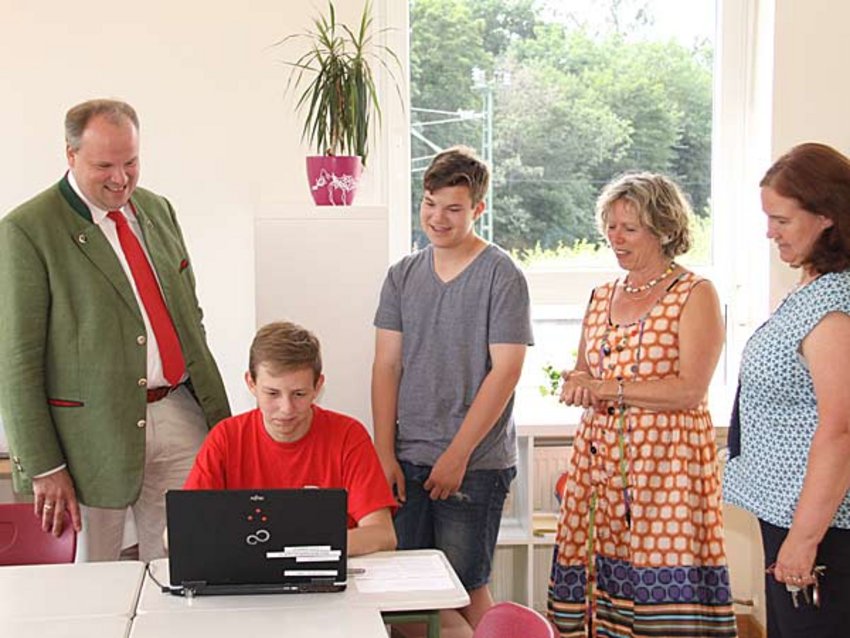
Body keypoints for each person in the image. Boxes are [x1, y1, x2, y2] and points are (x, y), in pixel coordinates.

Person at [0, 99, 230, 562]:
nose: (121, 178)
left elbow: (190, 315)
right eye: (104, 165)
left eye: (131, 162)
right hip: (88, 437)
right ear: (70, 155)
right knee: (94, 578)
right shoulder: (28, 230)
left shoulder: (158, 210)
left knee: (186, 565)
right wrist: (45, 465)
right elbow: (16, 359)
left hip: (179, 413)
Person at [548, 173, 737, 637]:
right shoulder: (600, 297)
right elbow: (584, 371)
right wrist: (577, 383)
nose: (616, 238)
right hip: (599, 472)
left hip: (666, 473)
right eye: (610, 226)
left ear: (664, 228)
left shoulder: (695, 293)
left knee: (661, 590)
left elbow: (690, 389)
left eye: (629, 228)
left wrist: (607, 388)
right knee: (600, 583)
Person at [372, 145, 533, 635]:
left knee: (464, 587)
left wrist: (458, 454)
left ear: (477, 209)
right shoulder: (402, 276)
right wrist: (383, 453)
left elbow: (505, 371)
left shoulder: (501, 275)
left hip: (475, 463)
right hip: (408, 457)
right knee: (404, 588)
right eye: (429, 203)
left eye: (453, 208)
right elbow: (386, 365)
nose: (437, 218)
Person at [723, 143, 850, 637]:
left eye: (781, 220)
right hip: (789, 510)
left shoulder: (834, 308)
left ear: (826, 218)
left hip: (821, 526)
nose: (769, 232)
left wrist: (803, 538)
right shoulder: (814, 289)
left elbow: (840, 429)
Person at [184, 321, 397, 556]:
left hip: (322, 579)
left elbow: (382, 533)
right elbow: (182, 531)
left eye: (299, 394)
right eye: (272, 393)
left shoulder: (348, 435)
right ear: (251, 384)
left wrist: (297, 550)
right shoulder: (225, 438)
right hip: (250, 576)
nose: (286, 409)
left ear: (318, 387)